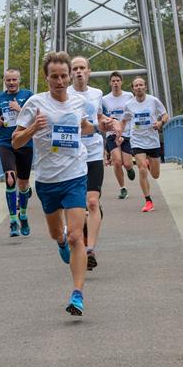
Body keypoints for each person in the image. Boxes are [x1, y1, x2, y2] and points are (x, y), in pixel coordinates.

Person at [13, 51, 99, 316]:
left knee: (76, 236)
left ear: (70, 76)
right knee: (57, 234)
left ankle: (77, 295)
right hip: (47, 179)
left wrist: (101, 127)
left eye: (64, 76)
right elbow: (15, 141)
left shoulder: (79, 101)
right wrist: (32, 129)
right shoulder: (35, 103)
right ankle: (60, 242)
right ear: (46, 78)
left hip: (75, 174)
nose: (60, 82)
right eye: (54, 77)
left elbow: (84, 126)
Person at [67, 56, 115, 271]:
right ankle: (80, 237)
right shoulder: (65, 94)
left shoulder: (97, 93)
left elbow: (99, 116)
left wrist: (106, 122)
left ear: (89, 71)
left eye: (82, 68)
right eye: (75, 68)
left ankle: (89, 250)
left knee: (93, 202)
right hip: (73, 153)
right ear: (70, 73)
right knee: (78, 205)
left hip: (94, 151)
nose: (79, 71)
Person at [0, 69, 34, 237]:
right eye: (8, 80)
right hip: (5, 142)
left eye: (14, 79)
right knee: (10, 179)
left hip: (24, 142)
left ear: (19, 80)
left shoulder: (28, 95)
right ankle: (13, 221)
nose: (11, 83)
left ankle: (23, 215)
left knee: (23, 184)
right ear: (4, 81)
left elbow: (35, 116)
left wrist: (19, 109)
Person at [117, 76, 168, 213]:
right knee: (142, 169)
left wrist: (160, 123)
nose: (139, 87)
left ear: (145, 87)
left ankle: (149, 163)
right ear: (133, 89)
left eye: (141, 85)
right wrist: (119, 135)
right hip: (137, 140)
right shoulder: (129, 105)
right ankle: (148, 201)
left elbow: (165, 115)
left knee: (155, 175)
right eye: (136, 85)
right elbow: (124, 121)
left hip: (152, 141)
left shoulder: (153, 101)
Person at [102, 71, 136, 199]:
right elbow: (101, 115)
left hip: (126, 133)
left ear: (121, 82)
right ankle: (123, 188)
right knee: (117, 161)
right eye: (113, 81)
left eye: (118, 81)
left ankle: (129, 168)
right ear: (110, 83)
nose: (115, 83)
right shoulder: (104, 99)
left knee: (127, 163)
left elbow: (134, 111)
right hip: (112, 134)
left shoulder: (129, 96)